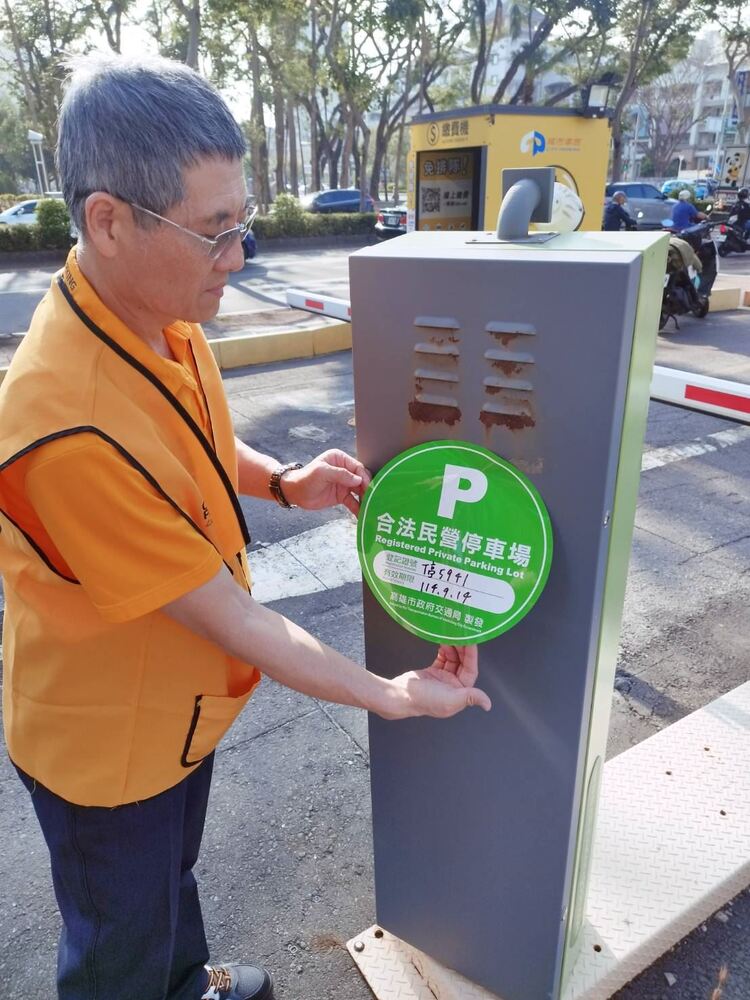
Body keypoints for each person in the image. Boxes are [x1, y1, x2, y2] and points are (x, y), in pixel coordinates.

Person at [0, 54, 491, 1000]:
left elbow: (187, 444)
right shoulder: (63, 427)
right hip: (108, 746)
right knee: (117, 943)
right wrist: (390, 694)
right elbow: (241, 623)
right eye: (215, 233)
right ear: (109, 220)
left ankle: (188, 982)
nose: (238, 258)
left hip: (173, 716)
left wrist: (282, 480)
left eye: (243, 224)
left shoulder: (151, 311)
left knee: (169, 886)